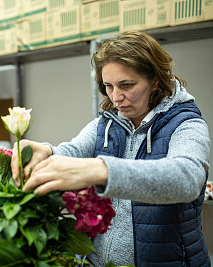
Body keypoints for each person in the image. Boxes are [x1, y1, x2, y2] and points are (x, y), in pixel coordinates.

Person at [11, 31, 211, 267]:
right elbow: (73, 151)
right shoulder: (105, 125)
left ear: (155, 81)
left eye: (127, 85)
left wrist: (101, 170)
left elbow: (186, 179)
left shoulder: (187, 125)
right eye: (108, 86)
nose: (116, 97)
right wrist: (46, 151)